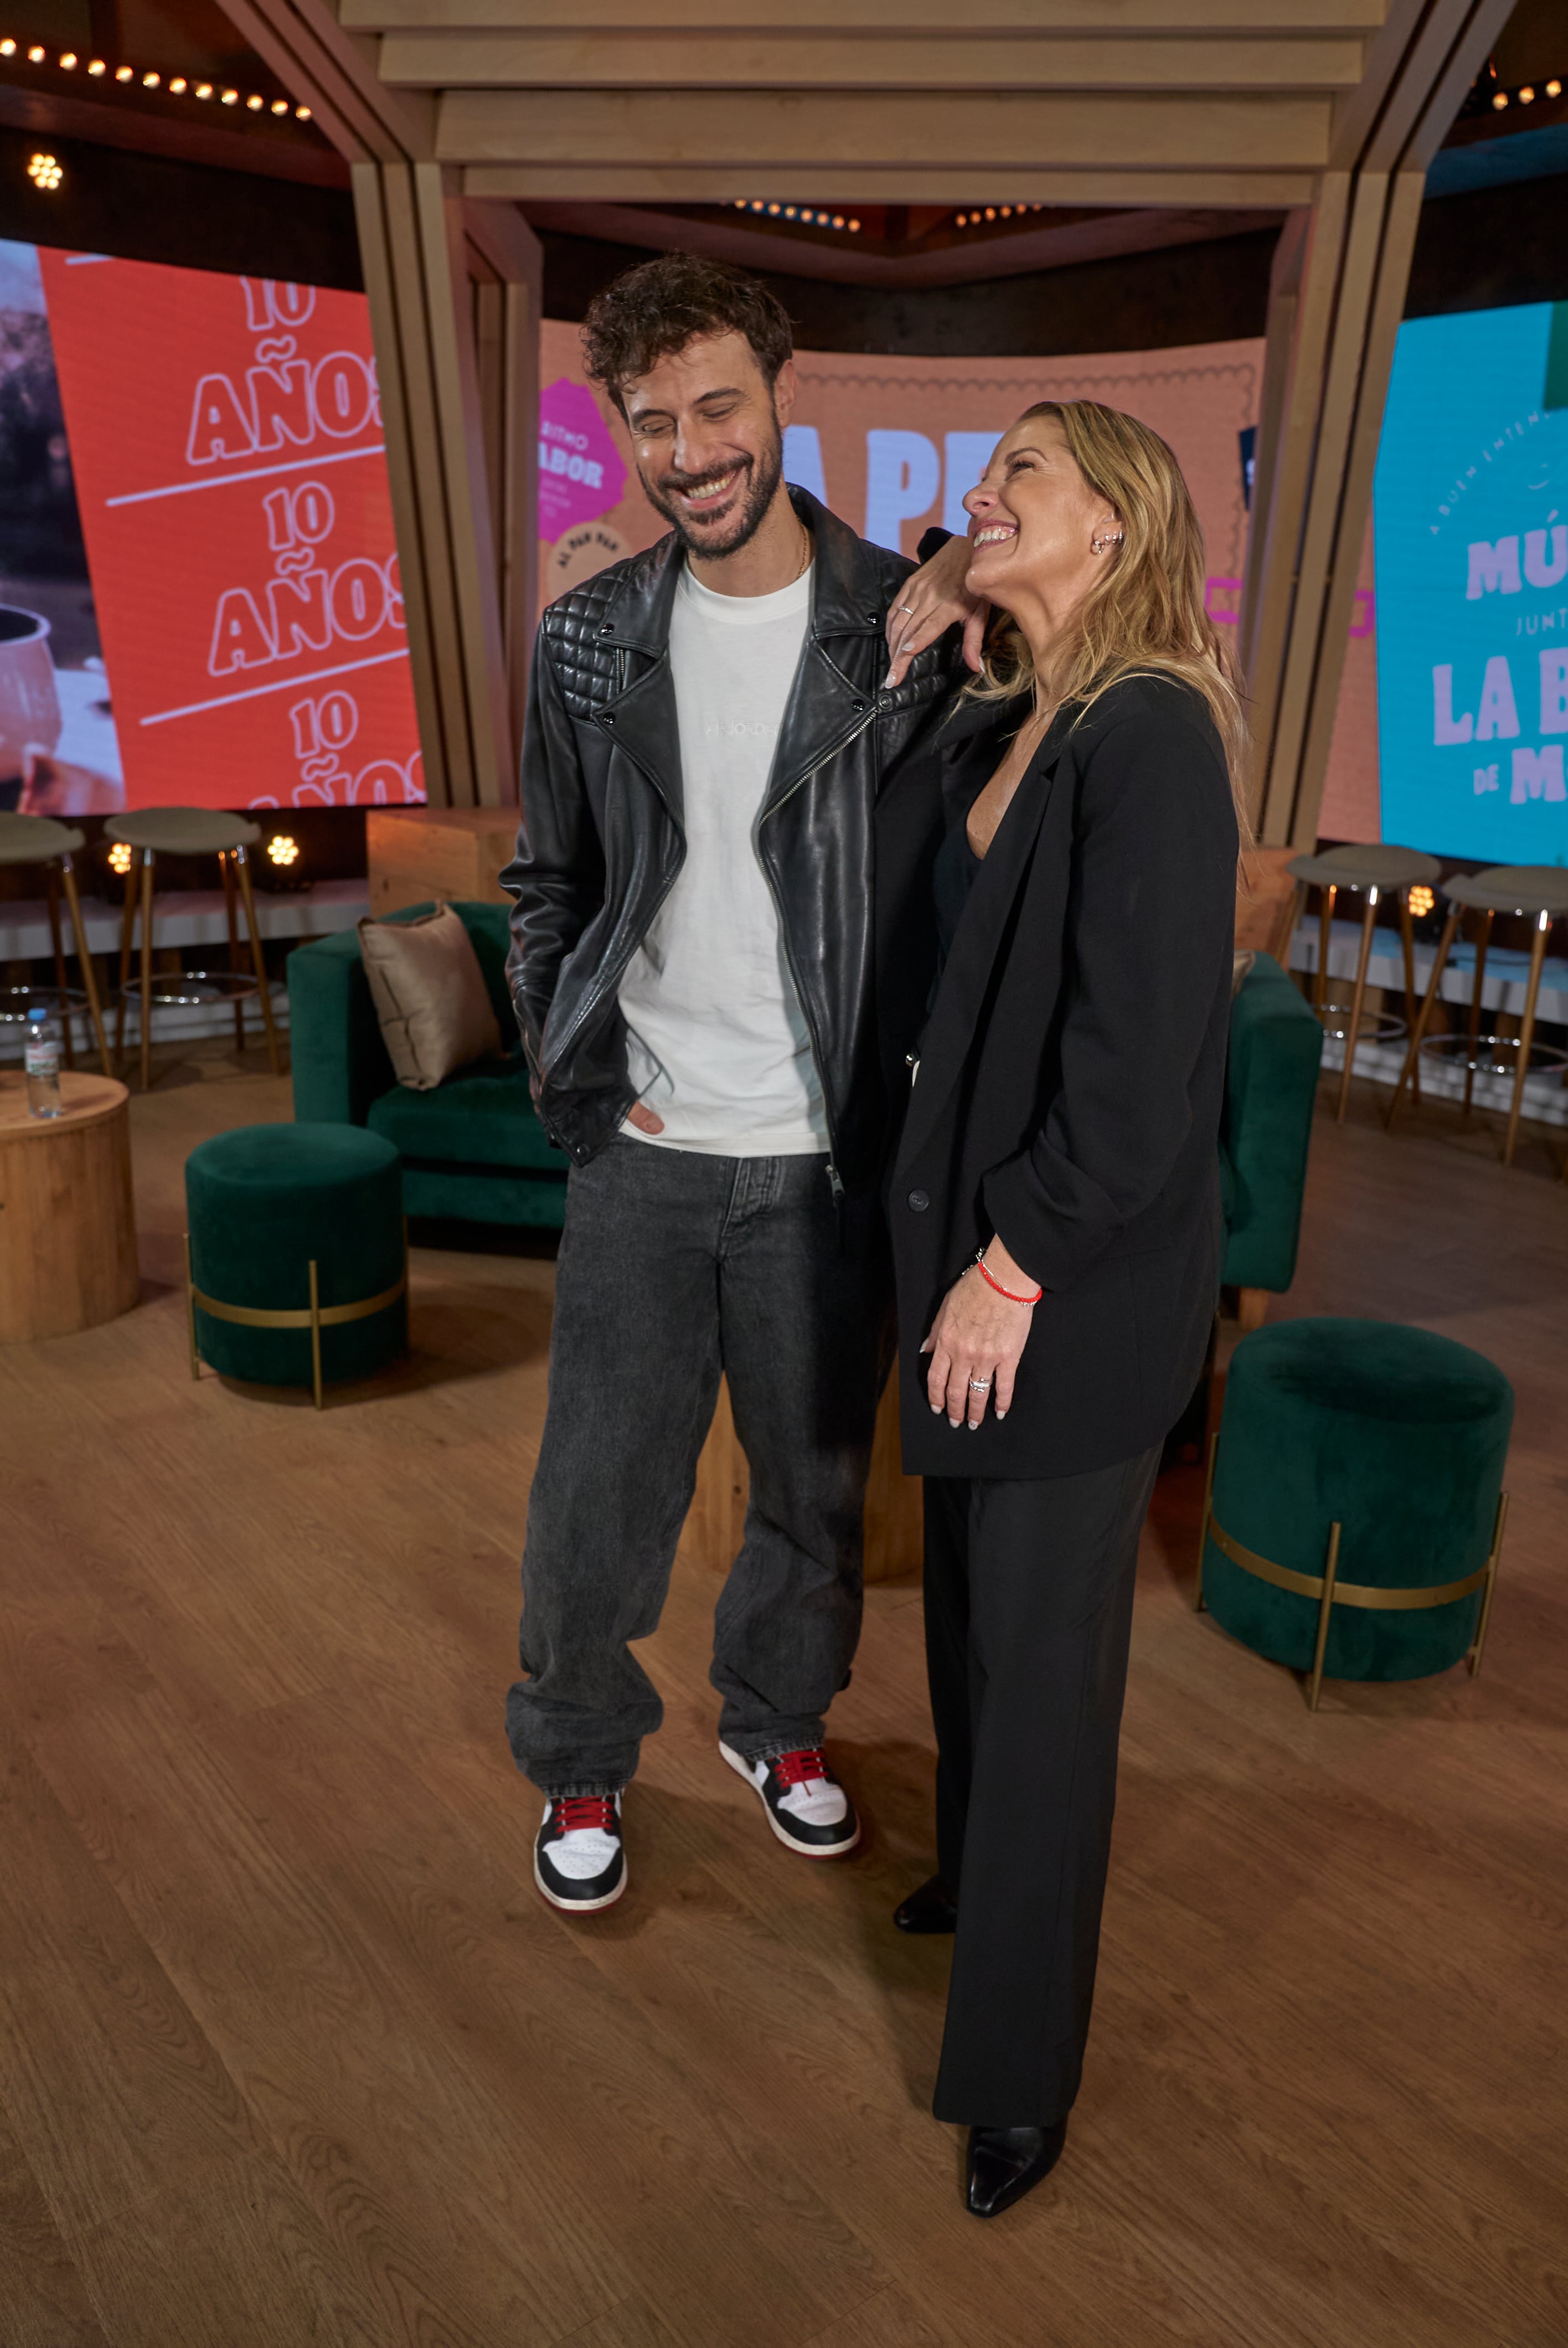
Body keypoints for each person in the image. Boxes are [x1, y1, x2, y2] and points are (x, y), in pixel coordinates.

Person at [501, 254, 957, 1914]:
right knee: (594, 1498)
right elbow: (547, 885)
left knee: (815, 1490)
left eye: (716, 408)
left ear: (780, 395)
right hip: (646, 1146)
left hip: (826, 1154)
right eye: (652, 423)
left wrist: (966, 566)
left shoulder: (898, 627)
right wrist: (575, 1080)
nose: (689, 452)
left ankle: (777, 1722)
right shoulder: (587, 641)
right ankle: (577, 1759)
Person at [879, 401, 1245, 2215]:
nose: (979, 494)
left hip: (1060, 1289)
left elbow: (1139, 1064)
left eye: (1018, 471)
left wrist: (1013, 1268)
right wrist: (935, 637)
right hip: (975, 1275)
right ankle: (974, 1868)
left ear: (1112, 527)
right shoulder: (1018, 718)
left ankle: (1018, 2066)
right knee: (966, 1618)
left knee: (1043, 1679)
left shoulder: (1158, 732)